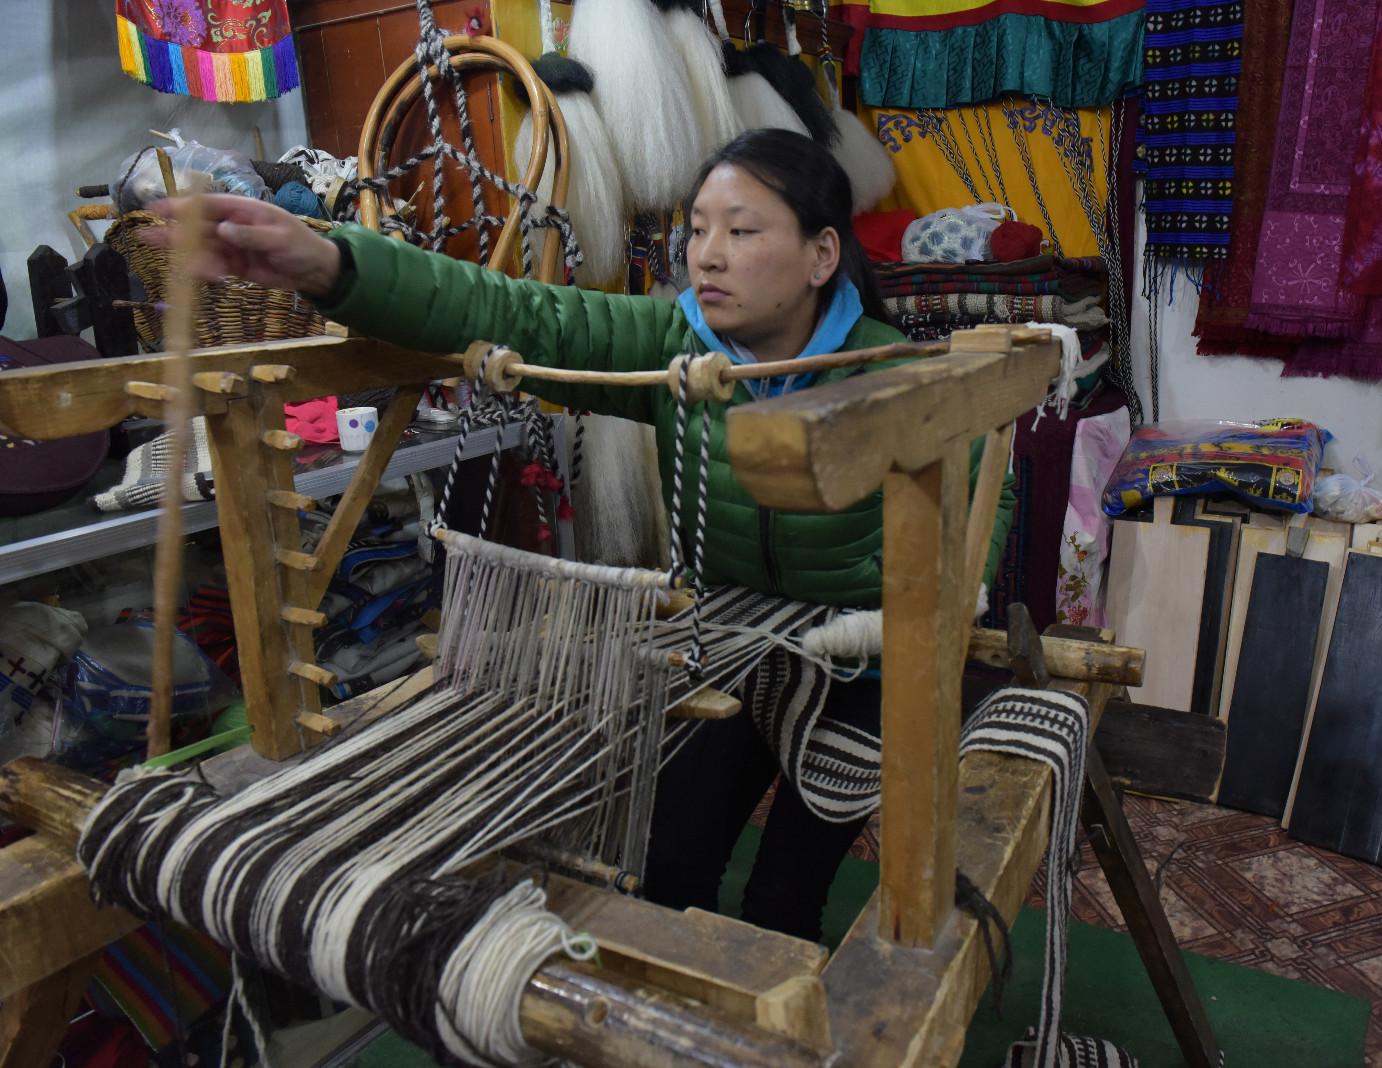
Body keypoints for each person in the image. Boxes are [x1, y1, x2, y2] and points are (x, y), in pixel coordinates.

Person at [153, 128, 1013, 943]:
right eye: (697, 230)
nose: (707, 255)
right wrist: (332, 263)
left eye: (742, 231)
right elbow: (518, 311)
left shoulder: (897, 375)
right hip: (728, 637)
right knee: (667, 868)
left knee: (784, 897)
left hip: (865, 659)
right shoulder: (676, 350)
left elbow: (982, 502)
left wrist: (918, 614)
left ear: (821, 256)